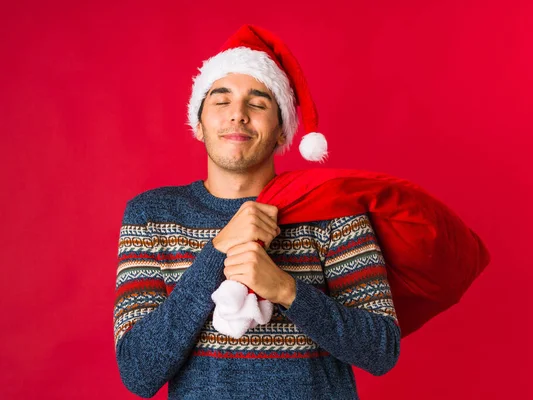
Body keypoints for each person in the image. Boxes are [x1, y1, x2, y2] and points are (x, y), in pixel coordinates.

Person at [113, 25, 400, 400]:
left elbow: (381, 350)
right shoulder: (151, 215)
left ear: (282, 131)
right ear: (198, 125)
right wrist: (217, 252)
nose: (238, 115)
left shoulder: (331, 210)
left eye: (259, 103)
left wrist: (285, 289)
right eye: (221, 101)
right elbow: (138, 370)